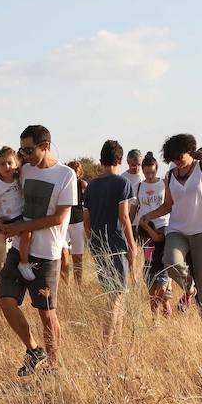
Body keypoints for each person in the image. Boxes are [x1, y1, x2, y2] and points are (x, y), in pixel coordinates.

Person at [0, 125, 78, 375]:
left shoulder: (66, 175)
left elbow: (59, 217)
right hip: (19, 247)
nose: (24, 155)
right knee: (6, 301)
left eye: (29, 150)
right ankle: (33, 350)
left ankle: (53, 366)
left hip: (47, 253)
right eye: (21, 150)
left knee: (47, 313)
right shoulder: (25, 170)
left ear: (46, 146)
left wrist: (22, 226)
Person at [139, 133, 202, 321]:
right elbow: (168, 205)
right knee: (170, 259)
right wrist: (148, 215)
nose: (177, 162)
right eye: (172, 159)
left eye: (179, 157)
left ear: (189, 151)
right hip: (178, 229)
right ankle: (189, 286)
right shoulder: (170, 175)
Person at [82, 140, 140, 349]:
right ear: (120, 160)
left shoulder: (92, 186)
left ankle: (117, 342)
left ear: (101, 160)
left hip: (98, 245)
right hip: (116, 244)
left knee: (115, 294)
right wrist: (132, 246)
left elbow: (86, 222)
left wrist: (93, 240)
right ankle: (106, 345)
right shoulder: (123, 183)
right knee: (116, 297)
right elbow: (124, 217)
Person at [133, 152, 171, 317]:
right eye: (146, 172)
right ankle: (155, 312)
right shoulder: (140, 186)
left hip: (162, 227)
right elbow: (135, 207)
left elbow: (170, 205)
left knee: (162, 266)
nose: (149, 176)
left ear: (157, 170)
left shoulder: (164, 184)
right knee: (149, 265)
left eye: (152, 172)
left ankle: (166, 301)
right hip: (144, 230)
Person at [0, 147, 23, 282]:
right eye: (2, 164)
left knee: (26, 239)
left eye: (10, 163)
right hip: (7, 221)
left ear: (16, 164)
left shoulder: (20, 179)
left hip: (21, 217)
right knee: (1, 259)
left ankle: (24, 264)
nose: (7, 166)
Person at [61, 160, 90, 287]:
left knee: (77, 257)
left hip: (78, 222)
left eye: (77, 172)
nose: (75, 175)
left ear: (80, 173)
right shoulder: (63, 184)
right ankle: (66, 285)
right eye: (72, 172)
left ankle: (79, 286)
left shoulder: (82, 185)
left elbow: (90, 203)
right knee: (63, 254)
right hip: (65, 223)